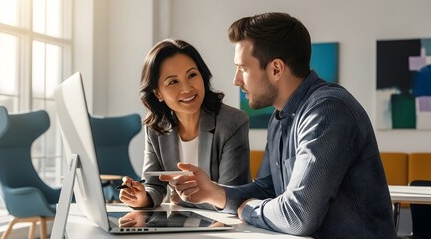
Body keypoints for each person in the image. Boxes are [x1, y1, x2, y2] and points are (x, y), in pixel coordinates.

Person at [160, 12, 396, 237]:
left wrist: (249, 210)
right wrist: (215, 193)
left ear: (276, 69)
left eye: (243, 68)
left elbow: (298, 216)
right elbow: (269, 189)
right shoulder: (280, 116)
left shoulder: (327, 110)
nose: (236, 80)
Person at [119, 39, 251, 211]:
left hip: (226, 227)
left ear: (202, 76)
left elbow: (232, 198)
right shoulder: (155, 127)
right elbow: (154, 185)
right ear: (158, 93)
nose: (187, 88)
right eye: (173, 82)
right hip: (183, 222)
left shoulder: (233, 122)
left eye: (192, 75)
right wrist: (142, 198)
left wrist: (180, 199)